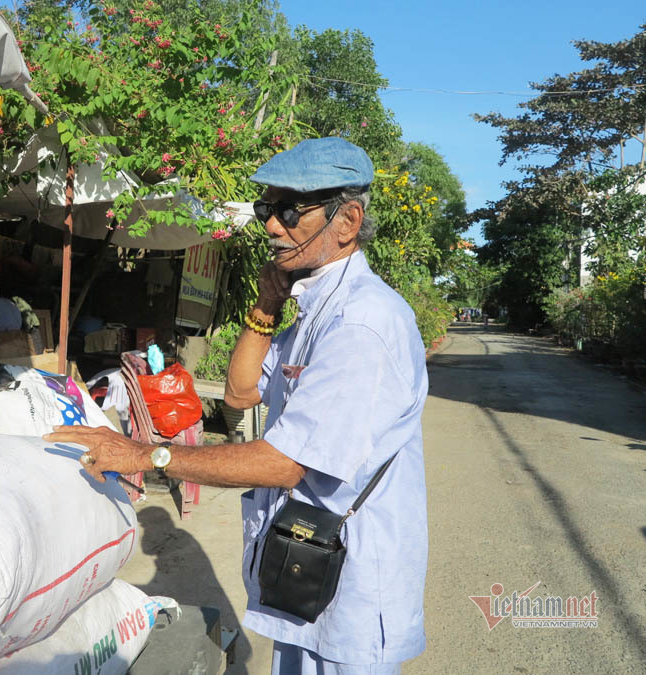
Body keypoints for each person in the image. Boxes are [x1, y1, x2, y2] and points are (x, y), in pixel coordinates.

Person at [46, 137, 428, 674]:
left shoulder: (362, 324)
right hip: (306, 572)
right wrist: (267, 304)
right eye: (268, 209)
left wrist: (146, 454)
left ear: (347, 221)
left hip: (352, 583)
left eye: (292, 211)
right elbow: (241, 393)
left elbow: (284, 462)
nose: (273, 225)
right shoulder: (313, 308)